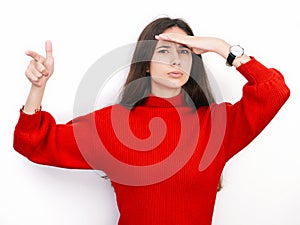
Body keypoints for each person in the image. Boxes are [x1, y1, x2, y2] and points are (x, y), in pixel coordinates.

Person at [13, 17, 290, 225]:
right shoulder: (113, 125)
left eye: (184, 51)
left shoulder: (217, 125)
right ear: (146, 62)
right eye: (164, 51)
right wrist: (38, 87)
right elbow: (33, 142)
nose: (176, 60)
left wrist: (221, 47)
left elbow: (274, 92)